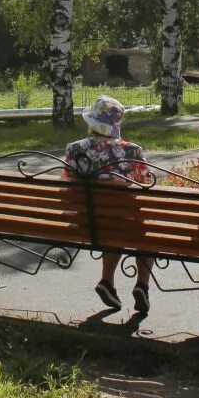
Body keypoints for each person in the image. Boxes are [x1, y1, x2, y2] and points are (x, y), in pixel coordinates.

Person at [65, 95, 155, 313]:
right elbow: (145, 187)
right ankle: (142, 284)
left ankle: (107, 281)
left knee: (111, 223)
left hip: (86, 223)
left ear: (92, 122)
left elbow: (66, 186)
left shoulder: (75, 149)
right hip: (123, 223)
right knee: (142, 229)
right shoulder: (132, 151)